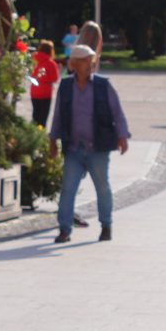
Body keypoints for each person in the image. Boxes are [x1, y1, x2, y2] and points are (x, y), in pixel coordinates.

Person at [49, 43, 129, 243]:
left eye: (90, 61)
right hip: (73, 147)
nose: (89, 64)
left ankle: (106, 225)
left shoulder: (103, 85)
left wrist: (122, 136)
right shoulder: (66, 86)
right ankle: (64, 229)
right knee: (68, 189)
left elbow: (117, 112)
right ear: (75, 64)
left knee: (102, 187)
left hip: (98, 147)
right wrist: (53, 139)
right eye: (85, 61)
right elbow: (58, 114)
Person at [28, 41, 60, 127]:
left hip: (34, 91)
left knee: (35, 115)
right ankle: (40, 133)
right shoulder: (51, 63)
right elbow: (55, 78)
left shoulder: (33, 60)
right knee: (43, 119)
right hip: (45, 93)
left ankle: (32, 132)